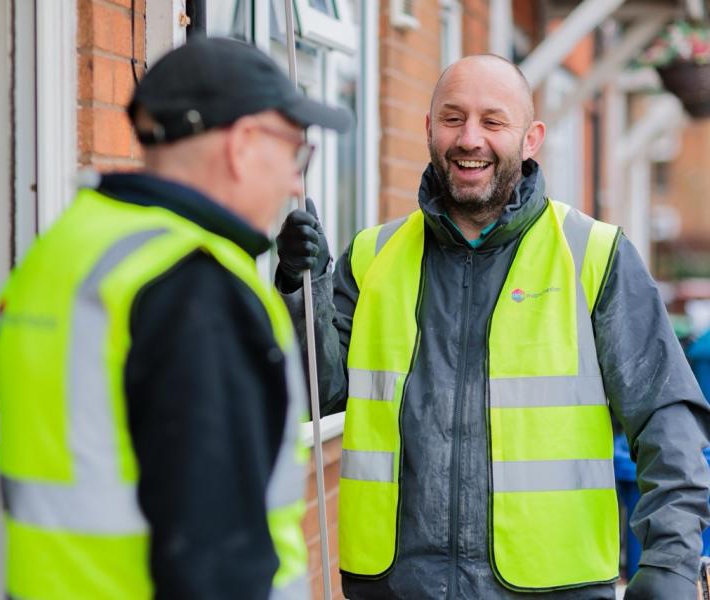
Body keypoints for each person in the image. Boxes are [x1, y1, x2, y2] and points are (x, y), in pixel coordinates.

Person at [275, 54, 710, 599]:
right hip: (397, 586)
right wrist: (299, 286)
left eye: (493, 121)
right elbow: (318, 390)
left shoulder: (593, 255)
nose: (470, 139)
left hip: (552, 586)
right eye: (453, 119)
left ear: (531, 138)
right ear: (428, 128)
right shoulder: (372, 255)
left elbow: (667, 417)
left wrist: (672, 558)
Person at [0, 37, 350, 599]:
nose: (296, 183)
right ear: (244, 144)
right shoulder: (195, 289)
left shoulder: (64, 251)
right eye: (296, 155)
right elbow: (217, 560)